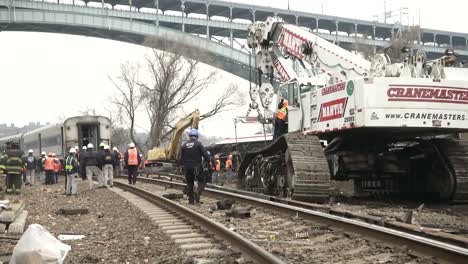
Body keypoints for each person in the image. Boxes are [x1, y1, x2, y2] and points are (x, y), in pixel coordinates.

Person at [179, 129, 210, 205]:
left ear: (189, 136)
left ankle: (191, 201)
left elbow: (181, 158)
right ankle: (198, 191)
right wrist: (208, 160)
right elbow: (205, 155)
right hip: (197, 167)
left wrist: (181, 166)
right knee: (202, 180)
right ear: (197, 136)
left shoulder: (184, 145)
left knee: (189, 183)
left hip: (187, 167)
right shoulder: (199, 144)